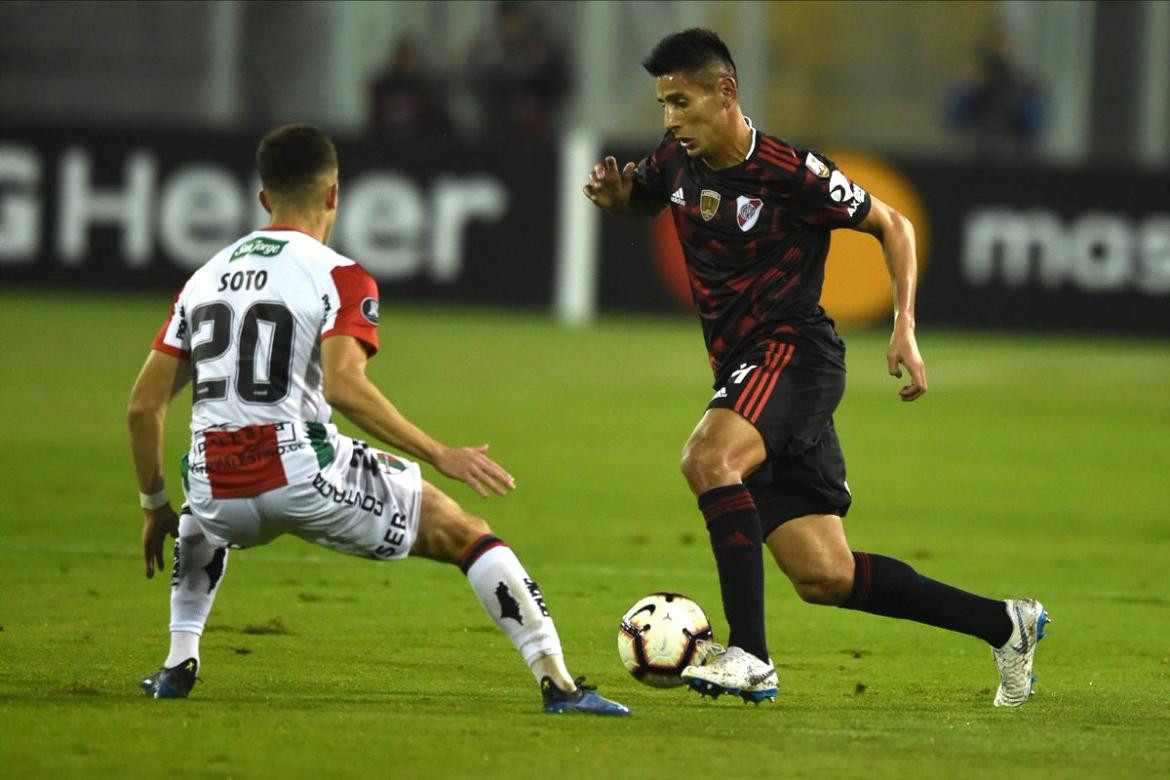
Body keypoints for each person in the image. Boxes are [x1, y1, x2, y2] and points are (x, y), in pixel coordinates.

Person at [583, 29, 1047, 706]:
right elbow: (649, 198)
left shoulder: (788, 171)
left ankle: (751, 655)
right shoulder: (676, 160)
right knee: (824, 576)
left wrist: (905, 328)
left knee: (708, 460)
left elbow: (895, 225)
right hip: (745, 367)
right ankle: (1006, 625)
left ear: (725, 92)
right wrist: (617, 197)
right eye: (663, 104)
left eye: (681, 102)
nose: (669, 119)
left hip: (793, 353)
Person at [127, 124, 628, 716]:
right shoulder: (340, 274)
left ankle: (177, 664)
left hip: (214, 490)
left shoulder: (203, 278)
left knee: (199, 505)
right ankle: (561, 685)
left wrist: (154, 503)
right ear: (335, 193)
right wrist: (439, 452)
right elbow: (345, 387)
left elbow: (142, 407)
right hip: (298, 470)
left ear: (264, 198)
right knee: (465, 531)